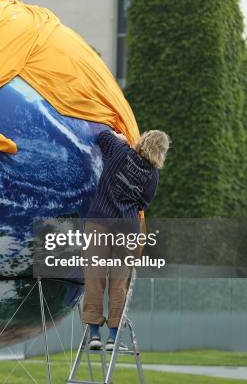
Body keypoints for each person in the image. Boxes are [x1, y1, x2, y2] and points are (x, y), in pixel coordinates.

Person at [82, 129, 169, 351]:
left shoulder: (119, 150)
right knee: (119, 283)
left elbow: (101, 135)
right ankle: (113, 338)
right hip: (127, 229)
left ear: (143, 139)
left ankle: (94, 335)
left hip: (99, 222)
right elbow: (143, 204)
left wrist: (118, 137)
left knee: (94, 276)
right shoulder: (152, 175)